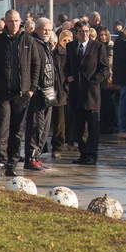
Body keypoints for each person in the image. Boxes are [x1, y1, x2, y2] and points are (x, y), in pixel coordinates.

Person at [0, 9, 41, 177]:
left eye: (17, 21)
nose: (14, 24)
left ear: (20, 21)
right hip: (3, 92)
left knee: (17, 130)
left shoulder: (28, 40)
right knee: (2, 128)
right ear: (5, 22)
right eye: (11, 21)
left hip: (22, 94)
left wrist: (32, 88)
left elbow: (36, 64)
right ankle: (0, 161)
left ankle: (12, 162)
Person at [66, 21, 109, 165]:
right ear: (76, 33)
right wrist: (68, 77)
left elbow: (104, 68)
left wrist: (94, 80)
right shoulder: (71, 46)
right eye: (81, 31)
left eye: (86, 31)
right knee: (79, 126)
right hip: (76, 92)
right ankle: (83, 153)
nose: (84, 34)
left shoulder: (98, 46)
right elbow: (66, 66)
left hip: (91, 93)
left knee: (93, 126)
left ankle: (91, 154)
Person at [24, 18, 56, 172]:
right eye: (44, 29)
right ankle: (30, 158)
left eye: (49, 30)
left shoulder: (47, 45)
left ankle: (37, 157)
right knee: (36, 126)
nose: (47, 32)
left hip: (48, 92)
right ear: (37, 29)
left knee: (44, 128)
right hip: (37, 92)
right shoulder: (33, 44)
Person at [50, 29, 72, 158]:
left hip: (61, 91)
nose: (67, 43)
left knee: (60, 122)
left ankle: (58, 146)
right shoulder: (52, 54)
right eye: (64, 40)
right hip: (50, 90)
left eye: (69, 40)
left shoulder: (66, 55)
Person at [98, 27, 117, 135]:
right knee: (102, 103)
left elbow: (109, 62)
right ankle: (103, 125)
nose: (103, 37)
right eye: (101, 35)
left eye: (105, 34)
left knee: (109, 103)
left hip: (108, 78)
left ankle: (108, 125)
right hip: (101, 78)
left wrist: (109, 74)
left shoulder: (110, 46)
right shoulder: (99, 46)